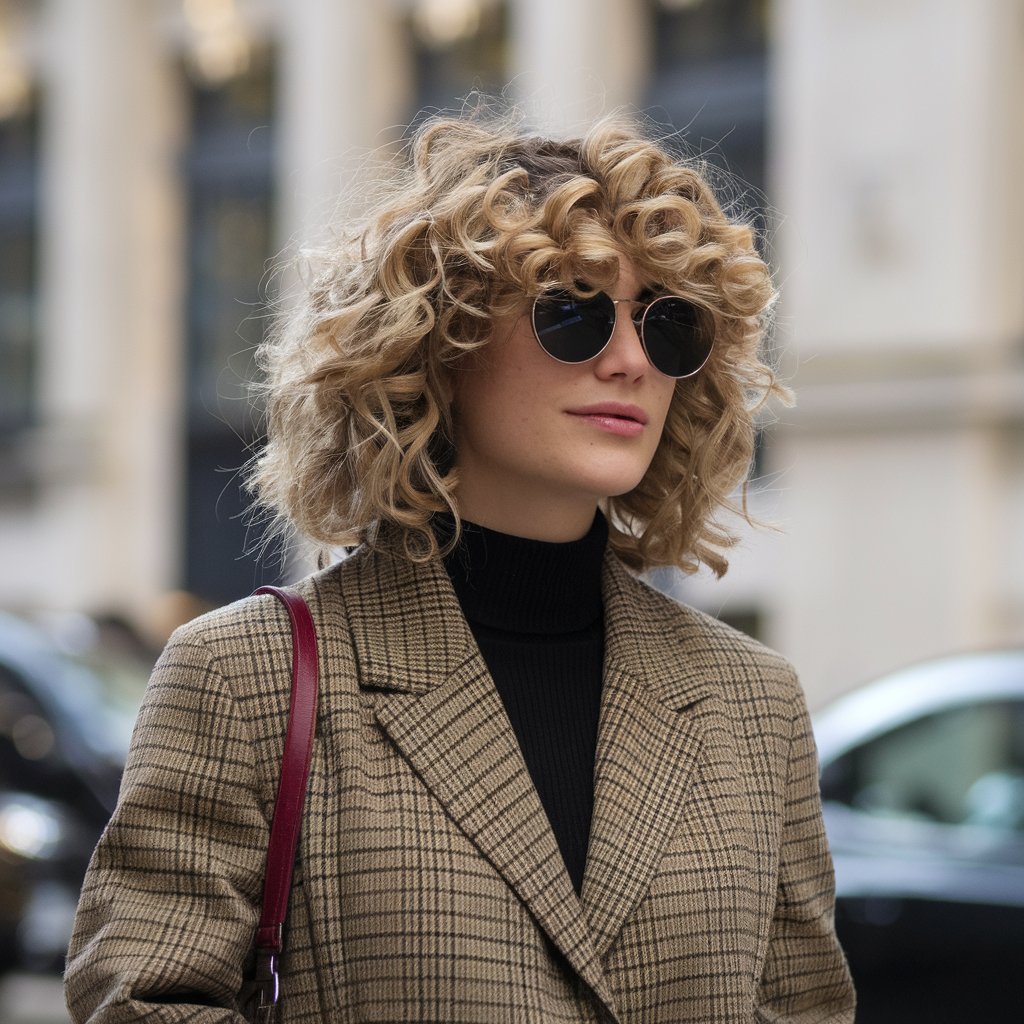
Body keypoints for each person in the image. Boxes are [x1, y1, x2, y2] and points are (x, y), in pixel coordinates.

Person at [65, 107, 855, 1023]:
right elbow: (143, 1004)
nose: (632, 360)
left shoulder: (753, 704)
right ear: (440, 341)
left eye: (669, 326)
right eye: (574, 313)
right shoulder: (247, 677)